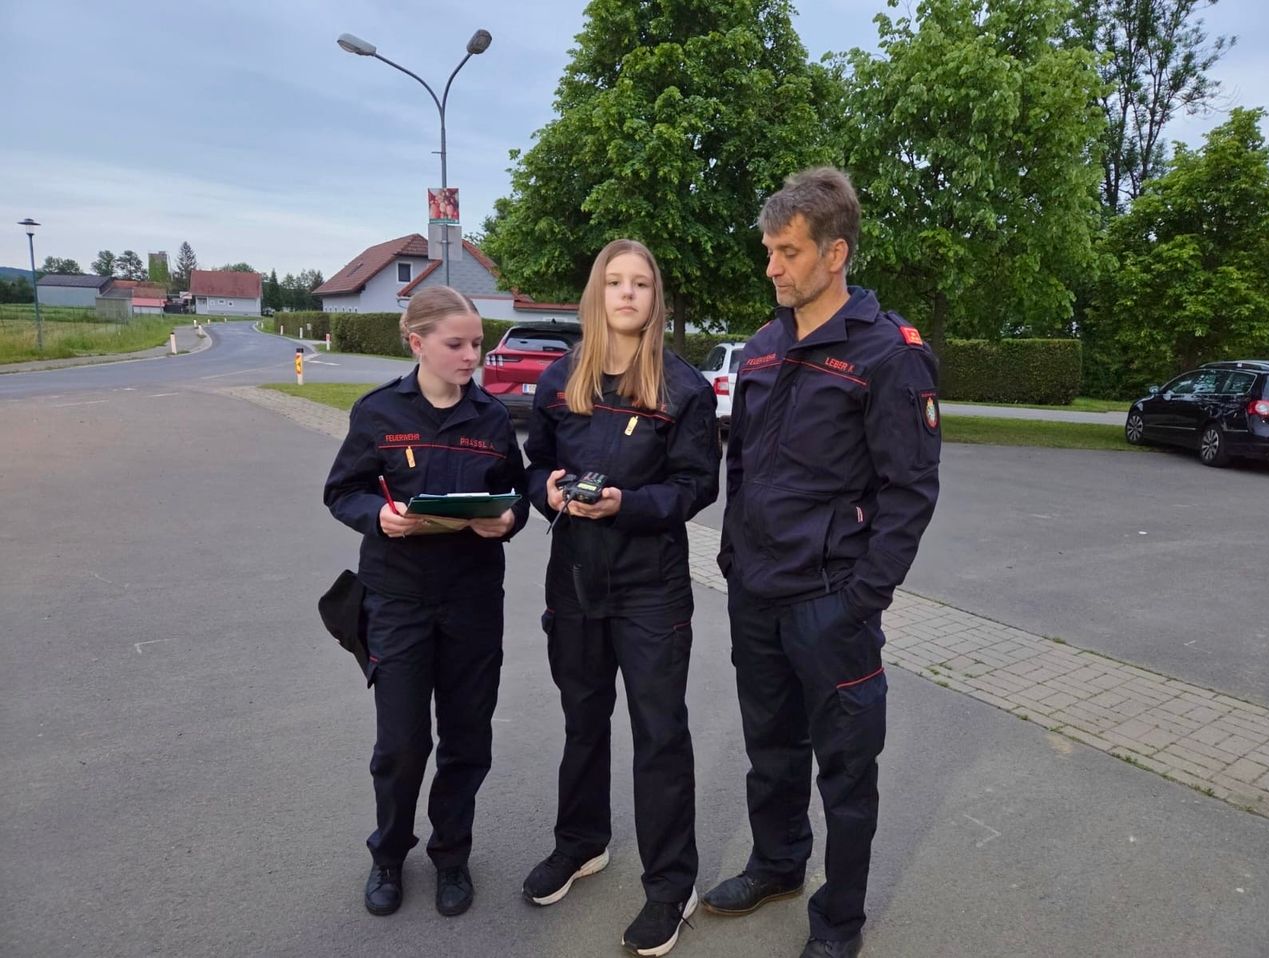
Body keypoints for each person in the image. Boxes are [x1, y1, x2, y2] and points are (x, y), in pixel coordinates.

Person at [707, 168, 941, 958]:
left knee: (845, 772)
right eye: (769, 251)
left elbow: (910, 492)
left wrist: (861, 598)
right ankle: (776, 864)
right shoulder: (767, 348)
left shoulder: (888, 353)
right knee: (770, 750)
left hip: (830, 604)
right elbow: (741, 464)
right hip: (757, 595)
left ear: (834, 253)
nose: (772, 267)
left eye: (787, 252)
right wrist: (734, 556)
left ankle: (838, 922)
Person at [522, 239, 719, 957]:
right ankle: (581, 842)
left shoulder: (683, 389)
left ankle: (671, 884)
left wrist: (627, 504)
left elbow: (699, 485)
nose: (628, 294)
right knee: (583, 719)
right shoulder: (558, 380)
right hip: (574, 578)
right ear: (596, 294)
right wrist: (541, 490)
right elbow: (535, 461)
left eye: (640, 283)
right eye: (615, 281)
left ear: (654, 298)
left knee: (659, 733)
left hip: (650, 585)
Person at [323, 286, 529, 919]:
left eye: (477, 344)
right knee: (403, 743)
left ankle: (451, 856)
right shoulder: (380, 412)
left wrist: (511, 519)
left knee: (468, 738)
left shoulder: (492, 419)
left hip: (471, 602)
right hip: (398, 600)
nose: (473, 356)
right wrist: (378, 516)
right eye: (457, 344)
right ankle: (388, 854)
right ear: (417, 343)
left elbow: (516, 493)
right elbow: (343, 491)